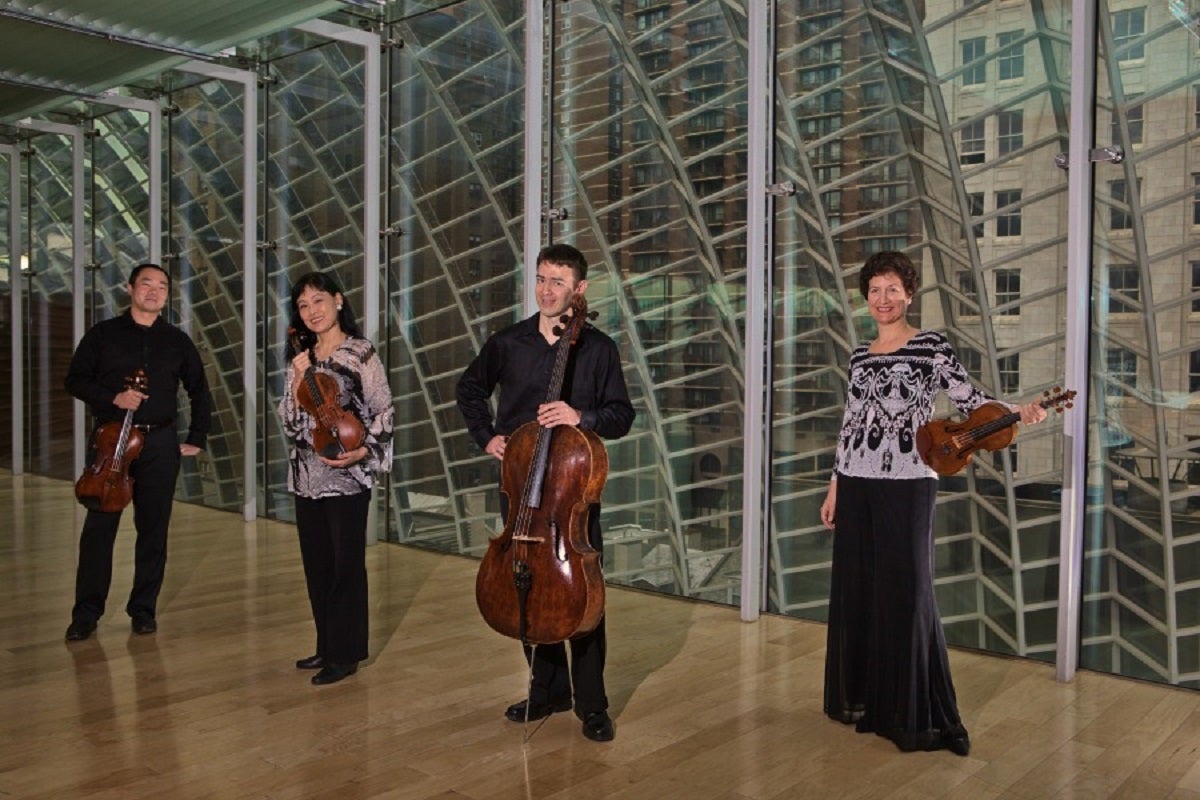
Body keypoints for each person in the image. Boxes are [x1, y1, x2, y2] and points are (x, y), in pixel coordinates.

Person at [818, 250, 1047, 756]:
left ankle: (921, 714)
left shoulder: (930, 347)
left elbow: (971, 401)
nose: (883, 299)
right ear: (866, 297)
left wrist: (1019, 411)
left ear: (909, 294)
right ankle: (870, 702)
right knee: (862, 592)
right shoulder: (859, 355)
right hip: (856, 482)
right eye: (875, 290)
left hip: (909, 481)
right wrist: (835, 486)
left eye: (892, 289)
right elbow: (851, 424)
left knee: (910, 592)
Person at [456, 243, 635, 742]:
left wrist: (583, 417)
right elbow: (469, 388)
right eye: (540, 278)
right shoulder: (509, 342)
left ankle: (592, 705)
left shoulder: (597, 349)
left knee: (582, 599)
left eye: (558, 281)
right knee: (527, 590)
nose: (546, 290)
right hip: (520, 492)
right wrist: (486, 435)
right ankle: (546, 691)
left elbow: (622, 414)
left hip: (571, 498)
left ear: (580, 289)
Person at [64, 263, 212, 641]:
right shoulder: (104, 335)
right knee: (99, 528)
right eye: (146, 283)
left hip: (160, 443)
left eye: (162, 286)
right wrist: (112, 397)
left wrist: (197, 435)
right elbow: (75, 379)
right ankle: (87, 613)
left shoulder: (177, 341)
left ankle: (143, 609)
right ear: (130, 288)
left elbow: (200, 389)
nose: (154, 291)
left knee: (154, 529)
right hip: (111, 440)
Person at [278, 271, 393, 686]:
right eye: (303, 305)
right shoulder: (301, 358)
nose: (311, 312)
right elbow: (291, 425)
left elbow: (383, 410)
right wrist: (295, 379)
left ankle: (345, 655)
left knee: (347, 566)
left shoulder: (360, 352)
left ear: (339, 301)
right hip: (306, 476)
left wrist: (365, 450)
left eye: (319, 301)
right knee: (317, 565)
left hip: (347, 476)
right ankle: (326, 645)